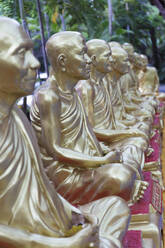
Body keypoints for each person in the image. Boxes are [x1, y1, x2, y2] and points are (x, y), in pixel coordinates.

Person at [0, 16, 130, 248]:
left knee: (115, 209)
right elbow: (56, 152)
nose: (35, 63)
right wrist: (57, 245)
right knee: (119, 178)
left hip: (48, 218)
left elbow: (41, 184)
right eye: (21, 53)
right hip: (33, 239)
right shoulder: (47, 96)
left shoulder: (17, 118)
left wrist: (75, 214)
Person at [30, 31, 147, 206]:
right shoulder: (48, 96)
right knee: (121, 175)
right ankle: (123, 189)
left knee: (129, 155)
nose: (88, 60)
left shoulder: (70, 89)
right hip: (66, 175)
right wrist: (101, 161)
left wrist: (101, 151)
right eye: (81, 53)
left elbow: (87, 131)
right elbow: (56, 150)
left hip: (85, 162)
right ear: (62, 61)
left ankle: (125, 186)